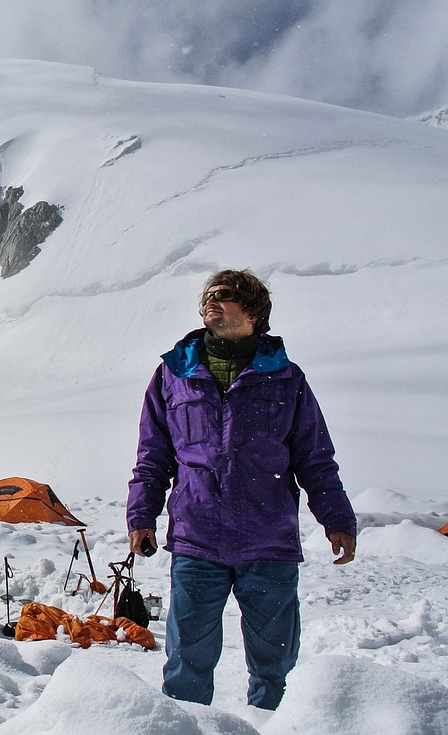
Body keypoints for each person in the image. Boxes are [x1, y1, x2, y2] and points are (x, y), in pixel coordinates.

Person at [126, 269, 357, 710]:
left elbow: (314, 458)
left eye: (225, 295)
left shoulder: (287, 378)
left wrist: (337, 520)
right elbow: (153, 456)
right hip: (197, 539)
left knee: (275, 665)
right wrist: (141, 516)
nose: (212, 301)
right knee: (186, 662)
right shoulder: (173, 374)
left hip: (267, 539)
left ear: (253, 311)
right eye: (208, 295)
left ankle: (271, 724)